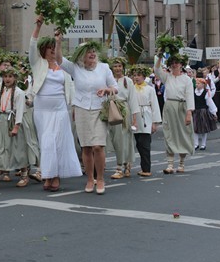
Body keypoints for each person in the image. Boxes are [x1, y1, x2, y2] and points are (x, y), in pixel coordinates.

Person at [59, 38, 117, 194]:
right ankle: (90, 179)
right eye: (88, 52)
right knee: (86, 147)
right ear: (81, 55)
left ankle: (101, 179)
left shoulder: (104, 68)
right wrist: (58, 40)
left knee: (98, 146)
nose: (91, 54)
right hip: (82, 109)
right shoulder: (75, 68)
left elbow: (115, 88)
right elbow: (59, 59)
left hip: (99, 109)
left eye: (93, 51)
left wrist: (106, 89)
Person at [30, 18, 81, 192]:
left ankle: (56, 175)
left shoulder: (63, 66)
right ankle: (47, 175)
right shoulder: (37, 64)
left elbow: (72, 87)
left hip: (60, 109)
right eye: (49, 49)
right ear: (43, 51)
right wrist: (38, 26)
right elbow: (32, 45)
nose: (52, 52)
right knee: (46, 143)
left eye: (54, 49)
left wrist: (74, 107)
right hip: (42, 110)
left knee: (58, 142)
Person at [0, 68, 27, 188]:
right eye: (5, 76)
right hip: (1, 121)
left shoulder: (19, 92)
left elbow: (20, 111)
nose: (7, 79)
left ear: (15, 78)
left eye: (10, 76)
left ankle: (24, 174)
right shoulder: (1, 91)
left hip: (12, 121)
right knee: (1, 148)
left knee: (16, 149)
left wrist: (16, 127)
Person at [155, 53, 195, 173]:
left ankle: (181, 163)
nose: (174, 65)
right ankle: (170, 164)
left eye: (176, 63)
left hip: (182, 106)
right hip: (170, 106)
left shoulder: (187, 79)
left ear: (181, 65)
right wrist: (160, 56)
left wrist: (189, 113)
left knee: (183, 134)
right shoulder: (167, 77)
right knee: (169, 133)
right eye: (172, 63)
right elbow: (156, 69)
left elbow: (189, 96)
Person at [108, 57, 139, 180]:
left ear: (123, 67)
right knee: (116, 139)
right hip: (112, 109)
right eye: (115, 66)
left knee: (125, 138)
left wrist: (134, 119)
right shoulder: (109, 80)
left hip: (124, 110)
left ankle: (121, 166)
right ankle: (123, 163)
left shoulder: (128, 81)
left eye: (119, 66)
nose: (117, 68)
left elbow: (133, 100)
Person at [130, 65, 161, 176]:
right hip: (134, 117)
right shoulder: (132, 88)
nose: (136, 78)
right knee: (138, 143)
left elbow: (155, 105)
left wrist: (154, 122)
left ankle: (146, 168)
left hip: (146, 116)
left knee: (145, 143)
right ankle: (142, 167)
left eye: (138, 75)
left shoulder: (149, 89)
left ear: (143, 76)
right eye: (134, 75)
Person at [192, 75, 217, 150]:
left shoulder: (206, 92)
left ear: (203, 85)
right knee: (195, 128)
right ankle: (196, 144)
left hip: (203, 111)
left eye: (198, 83)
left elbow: (209, 102)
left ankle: (203, 144)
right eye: (196, 83)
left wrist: (214, 112)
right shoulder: (193, 92)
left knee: (204, 128)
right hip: (195, 111)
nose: (197, 85)